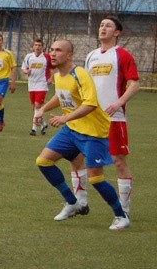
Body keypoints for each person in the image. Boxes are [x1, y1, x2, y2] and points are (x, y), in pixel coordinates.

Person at [34, 39, 129, 230]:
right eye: (51, 50)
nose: (53, 53)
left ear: (69, 55)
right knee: (43, 162)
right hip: (72, 130)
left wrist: (64, 119)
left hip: (93, 133)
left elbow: (90, 104)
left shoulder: (81, 74)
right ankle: (73, 203)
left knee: (96, 179)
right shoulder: (59, 76)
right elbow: (60, 96)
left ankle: (121, 216)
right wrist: (42, 109)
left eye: (58, 50)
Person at [67, 17, 140, 216]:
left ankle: (124, 208)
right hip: (89, 117)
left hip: (114, 118)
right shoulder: (91, 56)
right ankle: (80, 202)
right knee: (76, 157)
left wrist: (118, 103)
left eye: (108, 25)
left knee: (118, 161)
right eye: (101, 25)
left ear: (117, 33)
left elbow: (134, 84)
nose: (103, 28)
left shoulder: (123, 55)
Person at [21, 38, 52, 136]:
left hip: (42, 84)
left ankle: (34, 129)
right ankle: (44, 124)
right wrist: (26, 72)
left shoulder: (47, 57)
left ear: (42, 46)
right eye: (36, 45)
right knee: (35, 107)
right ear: (33, 46)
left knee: (38, 105)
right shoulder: (29, 57)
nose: (37, 47)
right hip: (31, 85)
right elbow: (23, 68)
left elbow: (55, 67)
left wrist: (51, 78)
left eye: (39, 45)